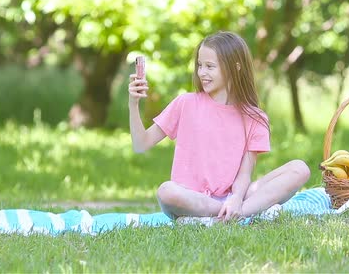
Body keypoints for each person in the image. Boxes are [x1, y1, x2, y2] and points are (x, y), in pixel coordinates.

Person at [128, 31, 310, 222]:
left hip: (234, 196)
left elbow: (245, 174)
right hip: (191, 198)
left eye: (209, 66)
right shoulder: (185, 103)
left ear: (234, 67)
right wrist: (133, 104)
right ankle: (236, 214)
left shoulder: (254, 117)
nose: (202, 73)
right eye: (199, 65)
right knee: (166, 191)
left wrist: (236, 199)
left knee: (299, 168)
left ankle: (226, 215)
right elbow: (141, 144)